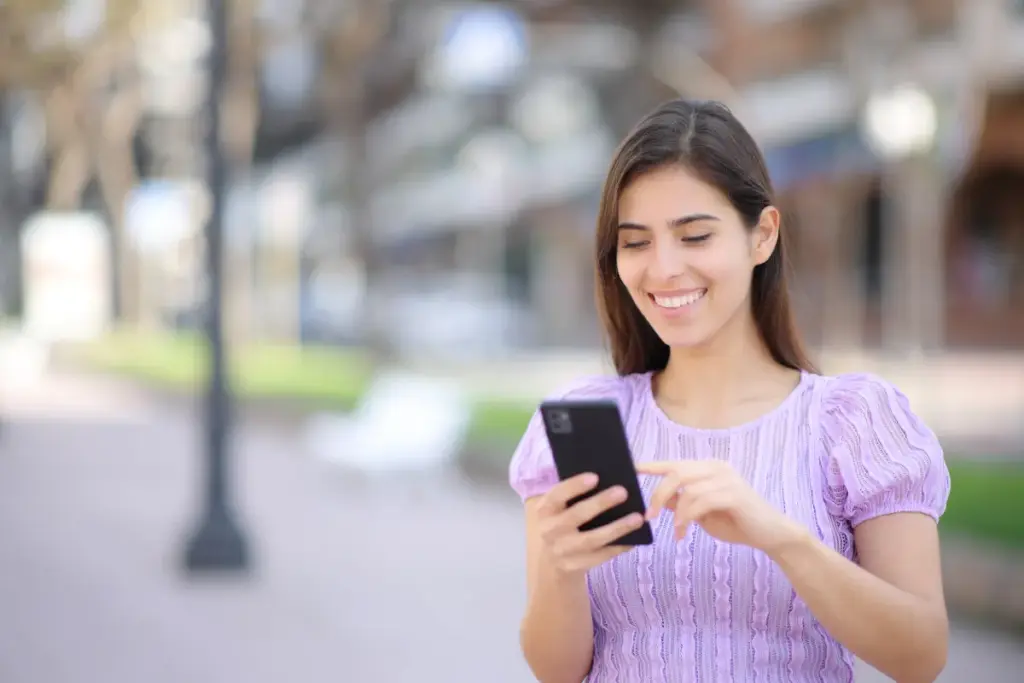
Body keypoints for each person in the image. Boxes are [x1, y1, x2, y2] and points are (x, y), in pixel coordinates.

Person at [509, 98, 951, 683]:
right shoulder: (587, 421)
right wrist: (561, 574)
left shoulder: (853, 422)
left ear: (762, 235)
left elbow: (920, 657)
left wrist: (780, 538)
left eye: (694, 236)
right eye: (636, 242)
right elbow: (556, 672)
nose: (663, 268)